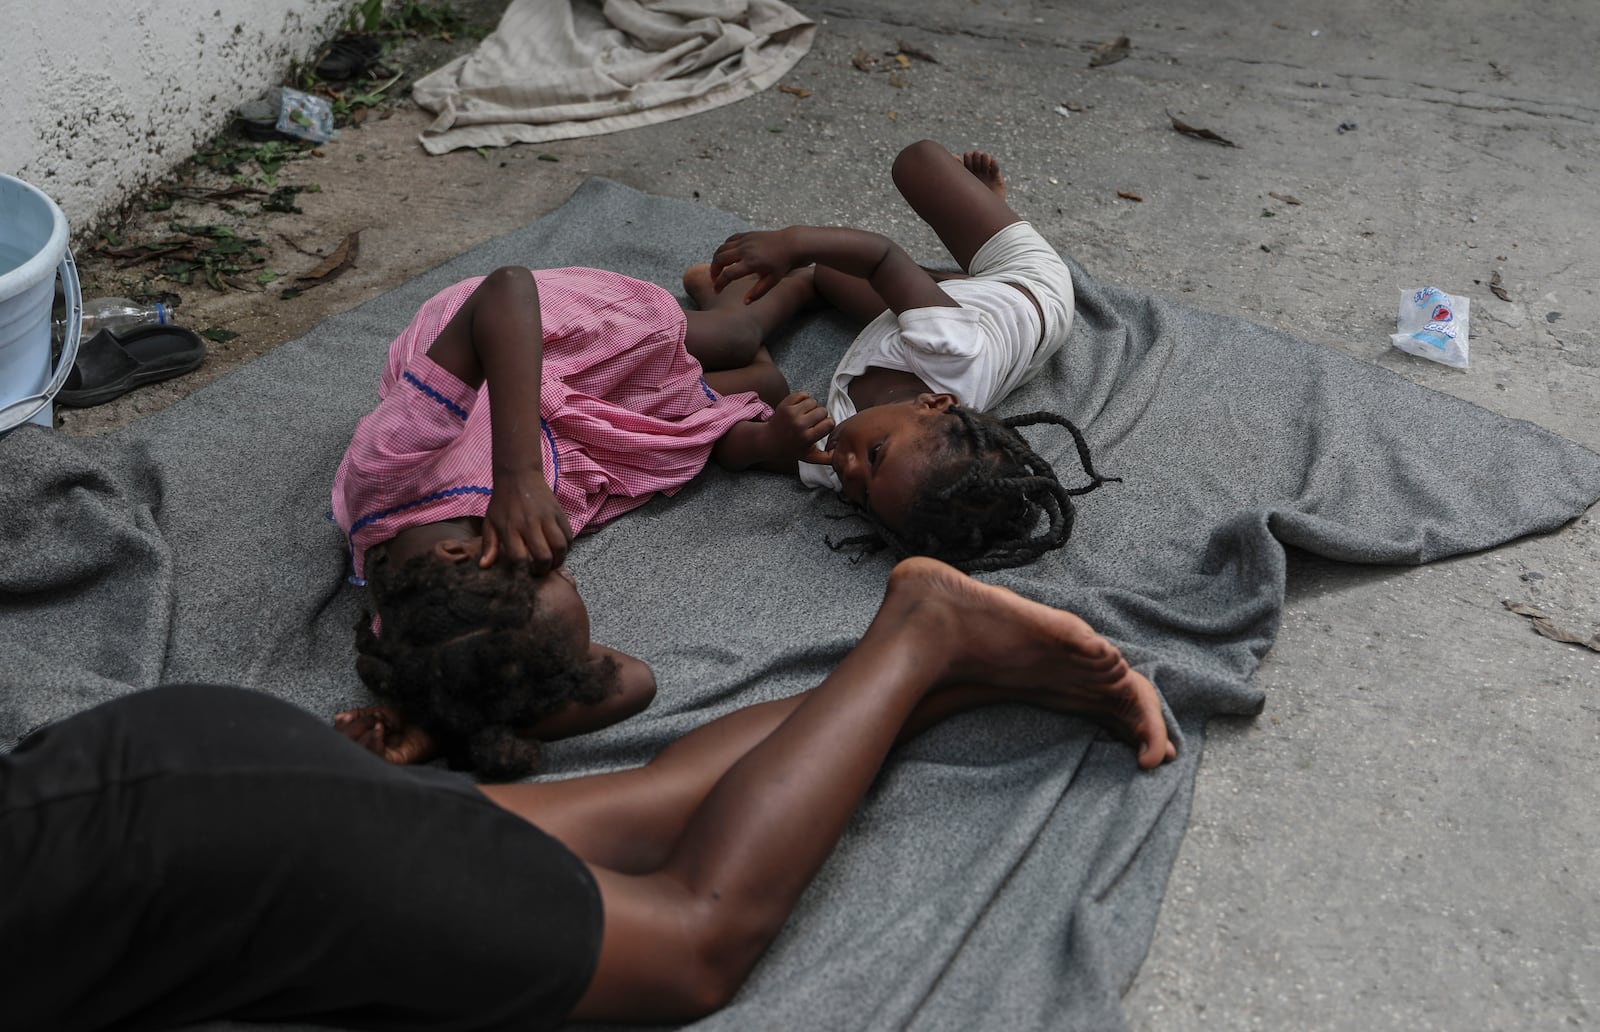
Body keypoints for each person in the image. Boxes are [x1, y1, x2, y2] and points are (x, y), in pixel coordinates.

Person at [1, 558, 1176, 1032]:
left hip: (210, 857)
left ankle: (922, 631)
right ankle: (940, 676)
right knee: (645, 806)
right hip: (164, 761)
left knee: (687, 941)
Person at [331, 262, 831, 778]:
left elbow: (507, 289)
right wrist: (448, 726)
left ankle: (802, 278)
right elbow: (636, 682)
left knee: (734, 335)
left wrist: (518, 476)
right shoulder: (442, 656)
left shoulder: (389, 464)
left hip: (512, 346)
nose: (564, 563)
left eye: (542, 567)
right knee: (742, 402)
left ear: (460, 554)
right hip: (564, 426)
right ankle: (720, 372)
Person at [701, 139, 1118, 573]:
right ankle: (987, 213)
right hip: (1027, 288)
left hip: (936, 321)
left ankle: (938, 278)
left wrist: (769, 442)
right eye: (875, 453)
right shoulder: (951, 351)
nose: (848, 467)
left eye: (860, 495)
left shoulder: (837, 464)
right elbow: (880, 257)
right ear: (935, 403)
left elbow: (726, 447)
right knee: (917, 163)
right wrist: (793, 242)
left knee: (827, 276)